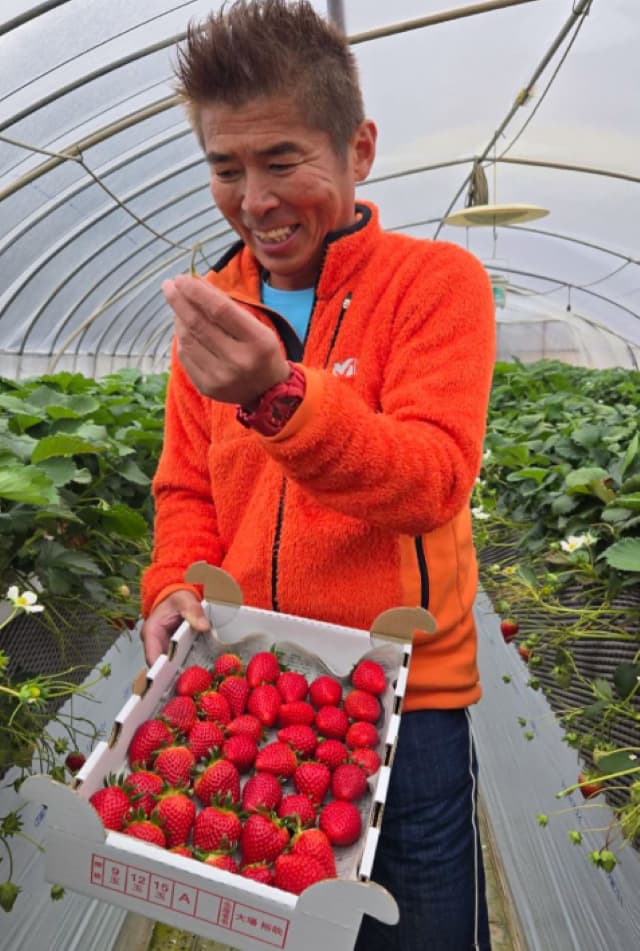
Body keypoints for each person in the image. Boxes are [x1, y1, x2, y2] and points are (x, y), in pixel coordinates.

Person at [140, 1, 496, 948]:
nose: (254, 198)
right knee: (289, 930)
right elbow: (186, 492)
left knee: (419, 932)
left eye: (282, 160)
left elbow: (431, 479)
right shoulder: (211, 314)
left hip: (402, 697)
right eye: (226, 167)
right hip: (257, 679)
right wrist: (174, 583)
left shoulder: (434, 285)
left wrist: (279, 398)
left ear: (359, 149)